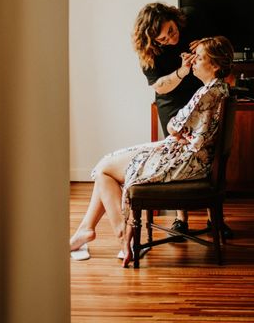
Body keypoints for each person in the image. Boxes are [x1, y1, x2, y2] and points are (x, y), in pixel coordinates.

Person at [70, 36, 234, 266]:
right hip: (188, 156)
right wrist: (181, 132)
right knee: (105, 166)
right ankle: (86, 230)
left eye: (200, 57)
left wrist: (180, 131)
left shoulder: (206, 93)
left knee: (104, 170)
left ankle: (119, 237)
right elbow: (180, 129)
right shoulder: (220, 89)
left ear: (215, 65)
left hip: (184, 161)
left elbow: (172, 126)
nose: (194, 60)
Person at [132, 2, 233, 239]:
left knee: (209, 150)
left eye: (171, 31)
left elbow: (222, 40)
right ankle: (181, 219)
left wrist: (206, 42)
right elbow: (159, 85)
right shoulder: (148, 53)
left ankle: (215, 218)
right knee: (180, 150)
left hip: (205, 86)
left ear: (173, 18)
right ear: (153, 41)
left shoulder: (194, 15)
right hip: (173, 98)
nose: (170, 39)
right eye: (163, 39)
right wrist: (181, 71)